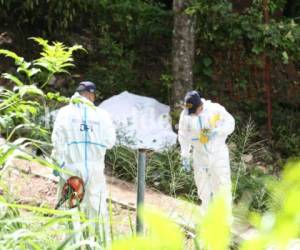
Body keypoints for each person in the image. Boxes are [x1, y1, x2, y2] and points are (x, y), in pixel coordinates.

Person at [51, 81, 116, 245]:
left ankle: (71, 246)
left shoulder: (65, 112)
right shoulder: (102, 115)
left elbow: (57, 140)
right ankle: (97, 245)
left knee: (70, 211)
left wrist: (57, 163)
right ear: (91, 95)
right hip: (95, 171)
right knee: (97, 210)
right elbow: (110, 142)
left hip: (71, 169)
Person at [178, 91, 235, 214]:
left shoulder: (215, 109)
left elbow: (231, 123)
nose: (191, 115)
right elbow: (183, 135)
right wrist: (185, 155)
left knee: (222, 185)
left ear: (200, 106)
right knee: (202, 187)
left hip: (218, 153)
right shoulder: (186, 114)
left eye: (194, 111)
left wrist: (217, 131)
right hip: (199, 155)